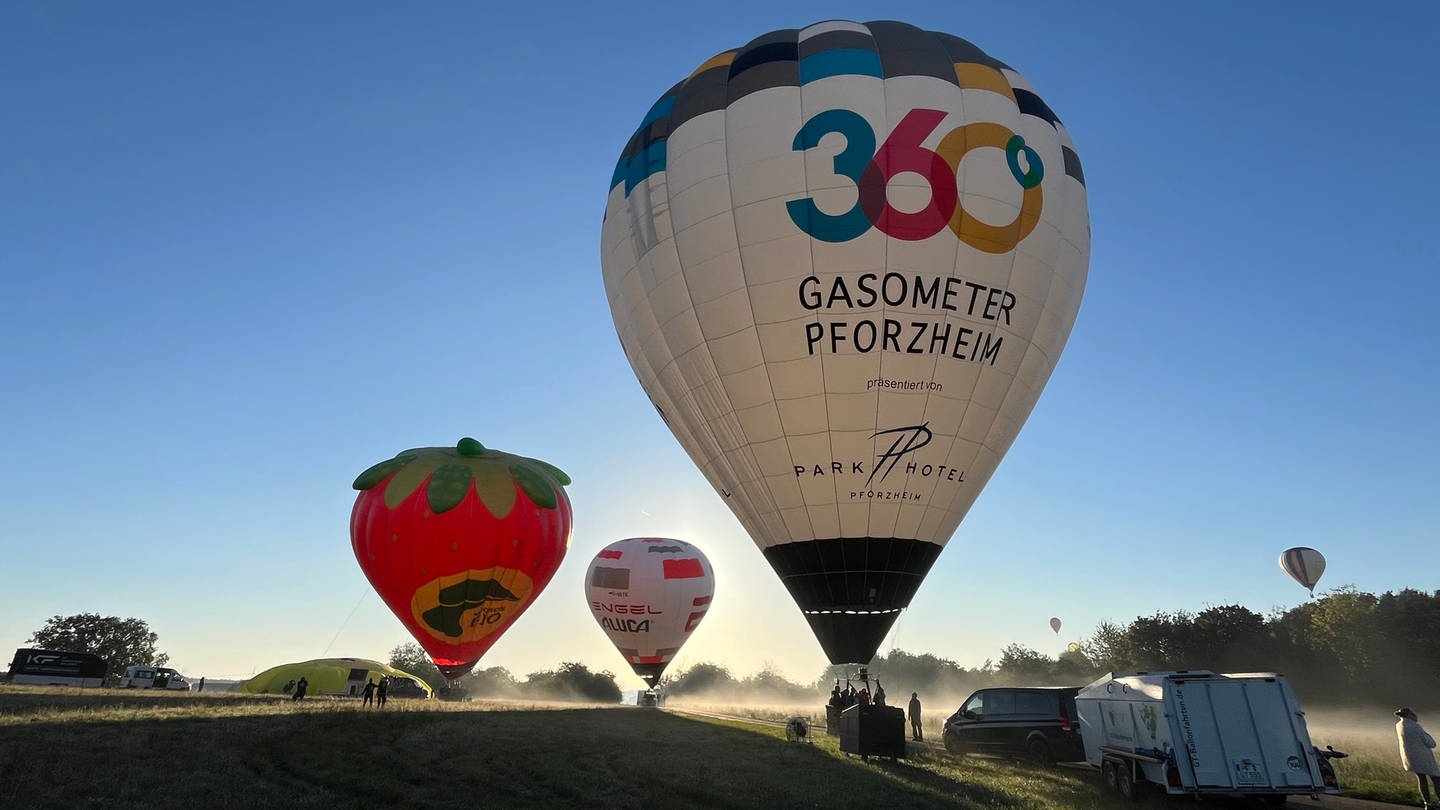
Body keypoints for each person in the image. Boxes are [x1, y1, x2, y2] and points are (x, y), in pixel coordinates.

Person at [1396, 708, 1440, 807]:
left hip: (1411, 757)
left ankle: (1427, 804)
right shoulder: (1415, 726)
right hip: (1423, 756)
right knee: (1436, 778)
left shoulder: (1399, 726)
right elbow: (1431, 743)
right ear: (1409, 715)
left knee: (1421, 779)